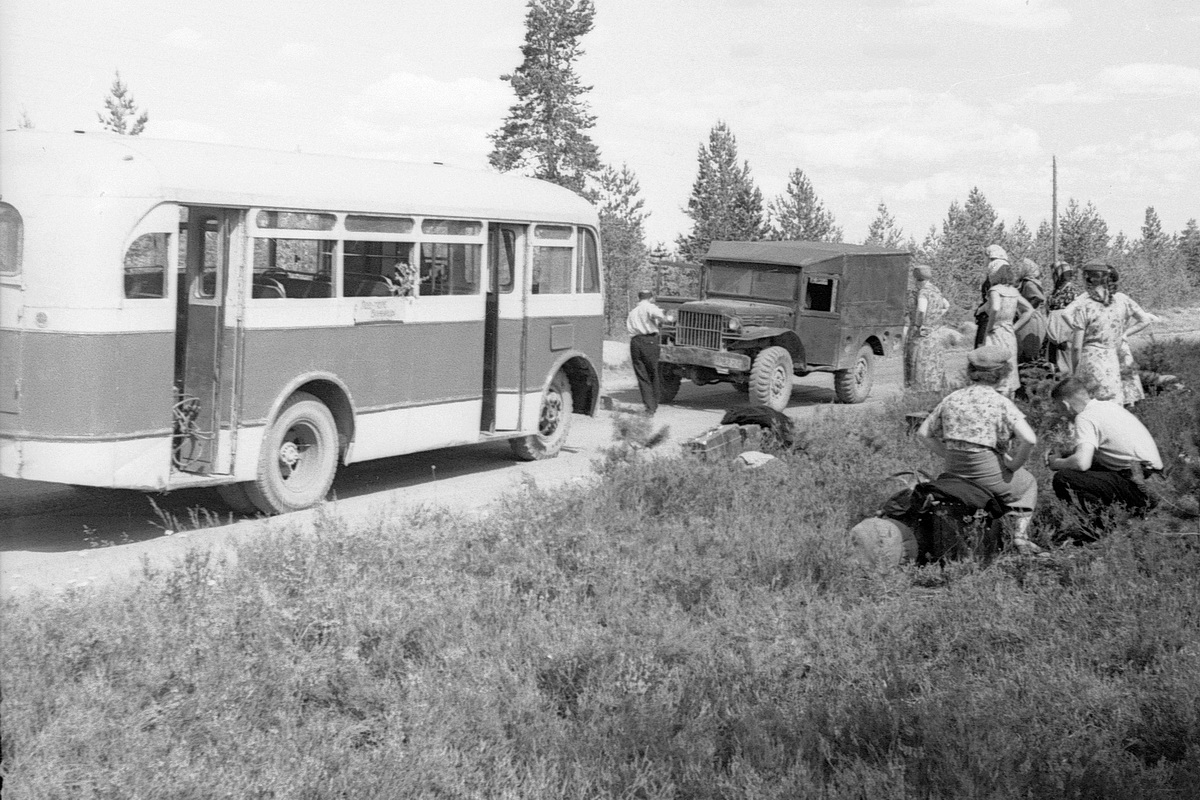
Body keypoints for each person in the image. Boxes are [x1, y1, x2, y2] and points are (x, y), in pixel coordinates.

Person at [917, 344, 1043, 555]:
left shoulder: (952, 398)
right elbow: (1029, 439)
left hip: (953, 471)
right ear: (1003, 374)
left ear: (971, 371)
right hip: (987, 472)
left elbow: (923, 433)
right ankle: (1019, 538)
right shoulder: (1000, 403)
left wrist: (947, 454)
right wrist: (1014, 464)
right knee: (1027, 484)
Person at [1047, 378, 1163, 525]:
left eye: (1059, 409)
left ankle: (1103, 526)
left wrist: (1056, 463)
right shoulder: (1108, 406)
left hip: (1141, 487)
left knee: (1064, 478)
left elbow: (1082, 463)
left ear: (1066, 404)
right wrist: (1066, 455)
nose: (1062, 415)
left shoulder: (1084, 417)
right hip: (1156, 481)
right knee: (1087, 468)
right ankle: (1122, 517)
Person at [1065, 261, 1153, 406]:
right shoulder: (1120, 300)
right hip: (1113, 359)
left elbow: (1075, 348)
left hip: (1090, 360)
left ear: (1088, 279)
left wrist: (1075, 371)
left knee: (1091, 406)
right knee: (1114, 405)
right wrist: (1124, 334)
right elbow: (1144, 319)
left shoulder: (1084, 304)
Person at [982, 262, 1033, 398]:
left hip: (996, 332)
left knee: (994, 366)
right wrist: (1015, 327)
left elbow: (995, 308)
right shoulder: (1013, 291)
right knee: (1009, 367)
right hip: (1009, 333)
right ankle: (1010, 401)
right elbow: (1029, 310)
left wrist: (990, 326)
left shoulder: (995, 290)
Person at [904, 264, 951, 391]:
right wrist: (935, 317)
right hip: (935, 332)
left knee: (919, 362)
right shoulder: (936, 290)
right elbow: (946, 305)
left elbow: (921, 310)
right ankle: (935, 389)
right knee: (934, 363)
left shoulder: (923, 292)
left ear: (916, 279)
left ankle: (919, 390)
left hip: (922, 334)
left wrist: (919, 324)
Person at [1109, 268, 1149, 406]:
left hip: (1116, 346)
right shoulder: (1121, 299)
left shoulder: (1121, 299)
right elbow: (1144, 319)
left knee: (1124, 380)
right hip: (1111, 347)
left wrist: (1125, 333)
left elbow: (1144, 319)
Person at [626, 290, 669, 415]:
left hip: (635, 342)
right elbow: (660, 316)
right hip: (649, 341)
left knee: (642, 375)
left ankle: (648, 406)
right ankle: (654, 404)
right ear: (650, 298)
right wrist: (664, 319)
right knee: (653, 373)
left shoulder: (633, 312)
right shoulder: (649, 307)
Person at [1045, 261, 1078, 374]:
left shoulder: (1070, 291)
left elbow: (1074, 315)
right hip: (1053, 336)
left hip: (1064, 336)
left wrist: (1067, 336)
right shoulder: (1056, 291)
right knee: (1053, 368)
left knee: (1066, 367)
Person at [974, 244, 1009, 348]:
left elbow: (995, 299)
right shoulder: (1003, 268)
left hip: (991, 317)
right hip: (1000, 317)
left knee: (984, 350)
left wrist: (981, 309)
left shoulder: (996, 269)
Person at [1015, 258, 1047, 364]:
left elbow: (1038, 298)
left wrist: (1027, 309)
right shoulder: (1025, 283)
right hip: (1028, 318)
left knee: (1028, 350)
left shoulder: (1029, 284)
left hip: (1030, 321)